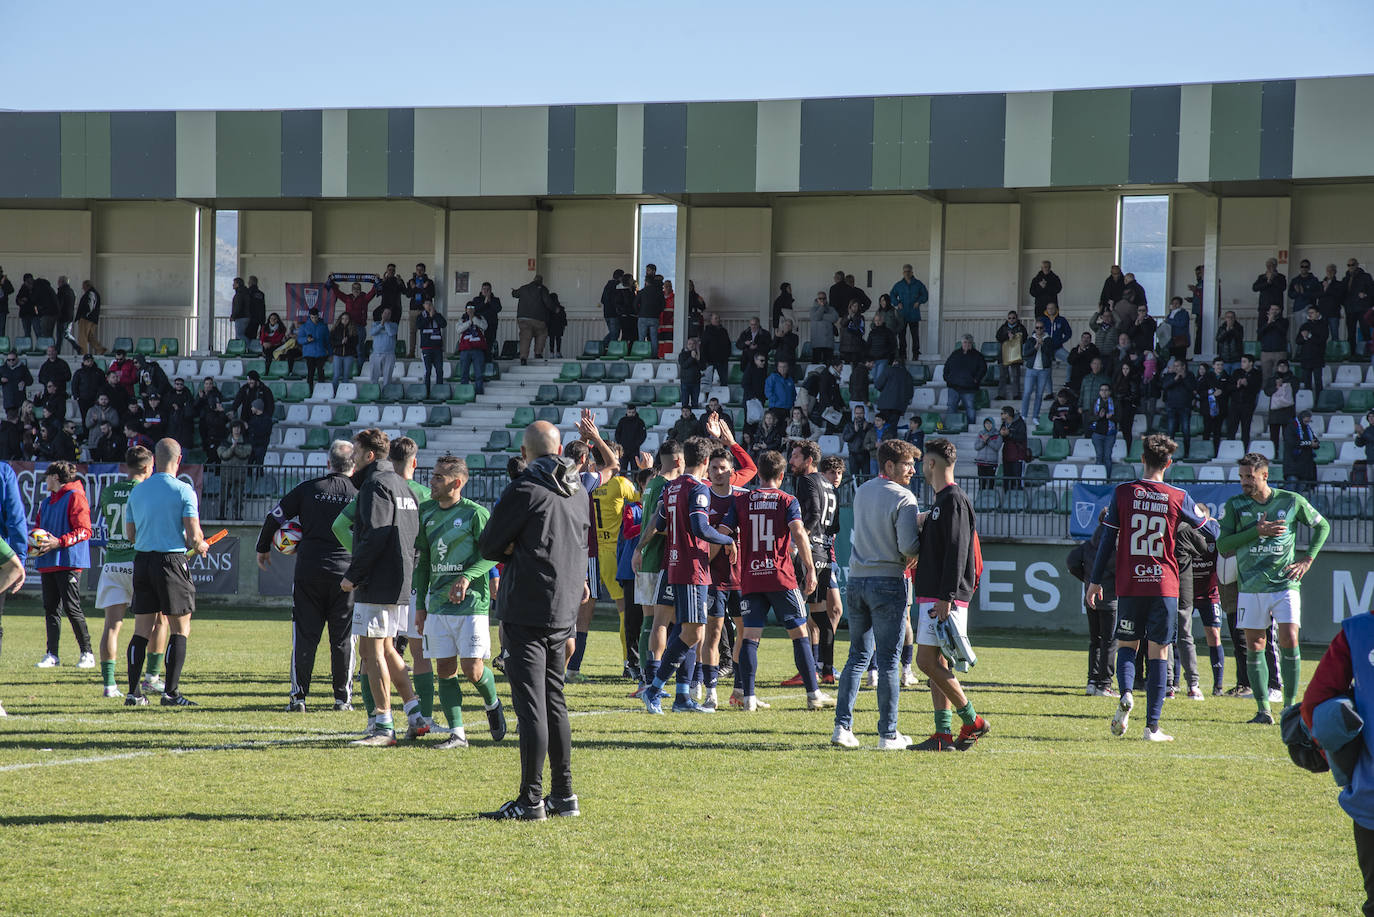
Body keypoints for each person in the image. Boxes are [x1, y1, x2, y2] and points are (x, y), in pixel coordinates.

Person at [476, 421, 590, 819]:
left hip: (526, 606)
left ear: (525, 454)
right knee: (554, 699)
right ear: (559, 450)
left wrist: (513, 548)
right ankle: (564, 795)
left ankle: (530, 800)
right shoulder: (580, 492)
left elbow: (489, 544)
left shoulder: (524, 489)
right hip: (563, 609)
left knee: (531, 707)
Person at [1089, 434, 1209, 742]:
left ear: (1142, 459)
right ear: (1168, 463)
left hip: (1130, 583)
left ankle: (1126, 692)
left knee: (1128, 646)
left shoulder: (1123, 493)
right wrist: (1205, 517)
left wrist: (1094, 581)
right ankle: (1151, 727)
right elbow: (1211, 531)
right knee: (1159, 652)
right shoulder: (1178, 496)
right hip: (1164, 585)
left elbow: (1106, 542)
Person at [1217, 453, 1329, 724]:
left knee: (1289, 638)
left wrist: (1307, 559)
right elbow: (1223, 546)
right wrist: (1258, 531)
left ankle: (1290, 708)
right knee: (1256, 644)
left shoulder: (1291, 501)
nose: (1244, 481)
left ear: (1264, 475)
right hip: (1251, 585)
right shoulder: (1235, 505)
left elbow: (1322, 526)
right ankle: (1263, 710)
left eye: (1249, 477)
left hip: (1285, 583)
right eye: (1241, 476)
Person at [719, 448, 832, 713]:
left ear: (759, 473)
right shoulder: (787, 500)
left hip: (751, 578)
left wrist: (728, 546)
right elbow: (799, 534)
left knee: (750, 637)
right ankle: (813, 694)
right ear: (781, 475)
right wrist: (810, 569)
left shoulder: (742, 501)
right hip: (780, 577)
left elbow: (723, 532)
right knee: (799, 633)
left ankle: (747, 698)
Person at [636, 435, 738, 714]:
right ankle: (655, 688)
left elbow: (660, 522)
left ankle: (682, 697)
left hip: (674, 564)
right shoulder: (698, 489)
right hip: (693, 567)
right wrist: (728, 541)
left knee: (687, 631)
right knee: (693, 633)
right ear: (705, 461)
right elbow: (700, 528)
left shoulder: (671, 488)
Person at [255, 439, 358, 712]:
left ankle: (298, 698)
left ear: (328, 463)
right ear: (354, 466)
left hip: (309, 572)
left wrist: (263, 548)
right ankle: (342, 699)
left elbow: (274, 517)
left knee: (304, 635)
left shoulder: (308, 489)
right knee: (343, 638)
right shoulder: (359, 493)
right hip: (346, 575)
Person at [831, 438, 921, 750]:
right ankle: (888, 734)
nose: (912, 469)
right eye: (907, 463)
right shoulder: (905, 497)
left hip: (856, 580)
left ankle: (842, 728)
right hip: (888, 580)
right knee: (888, 661)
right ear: (889, 466)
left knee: (857, 657)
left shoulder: (862, 490)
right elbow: (909, 546)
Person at [413, 456, 506, 749]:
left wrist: (466, 578)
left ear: (456, 482)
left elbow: (492, 553)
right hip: (438, 604)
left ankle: (492, 702)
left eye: (439, 477)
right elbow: (424, 560)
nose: (432, 481)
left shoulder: (475, 514)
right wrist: (420, 605)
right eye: (433, 475)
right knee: (445, 669)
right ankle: (458, 734)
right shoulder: (426, 512)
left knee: (472, 669)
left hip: (471, 605)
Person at [340, 429, 426, 745]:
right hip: (398, 580)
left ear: (370, 456)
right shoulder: (402, 485)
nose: (352, 457)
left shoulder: (375, 485)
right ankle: (415, 715)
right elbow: (415, 538)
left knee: (370, 651)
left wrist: (355, 573)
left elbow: (374, 534)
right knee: (387, 648)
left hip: (377, 581)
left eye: (357, 451)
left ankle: (383, 726)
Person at [910, 438, 990, 751]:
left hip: (943, 597)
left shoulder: (953, 499)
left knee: (926, 661)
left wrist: (947, 595)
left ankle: (972, 719)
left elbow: (958, 550)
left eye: (922, 462)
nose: (919, 468)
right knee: (937, 663)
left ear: (931, 463)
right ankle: (942, 734)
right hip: (935, 594)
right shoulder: (942, 502)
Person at [123, 439, 209, 706]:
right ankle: (171, 693)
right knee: (180, 629)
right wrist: (201, 544)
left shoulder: (137, 491)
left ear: (155, 460)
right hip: (171, 561)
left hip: (143, 561)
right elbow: (194, 536)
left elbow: (131, 535)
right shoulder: (184, 490)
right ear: (179, 459)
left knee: (141, 631)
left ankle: (133, 694)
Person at [94, 447, 169, 698]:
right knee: (158, 621)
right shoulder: (145, 491)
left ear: (125, 467)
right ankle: (151, 678)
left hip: (112, 562)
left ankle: (109, 685)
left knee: (112, 626)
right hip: (138, 562)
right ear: (148, 467)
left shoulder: (107, 492)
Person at [32, 461, 94, 670]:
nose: (45, 481)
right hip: (48, 561)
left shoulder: (75, 496)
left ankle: (87, 653)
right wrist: (35, 543)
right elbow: (37, 530)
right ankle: (52, 654)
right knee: (51, 609)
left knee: (71, 607)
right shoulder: (46, 503)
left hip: (68, 561)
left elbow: (85, 530)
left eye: (47, 477)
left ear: (55, 478)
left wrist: (59, 542)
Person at [1068, 510, 1117, 697]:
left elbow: (1071, 561)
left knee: (1095, 641)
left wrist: (1088, 581)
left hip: (1091, 599)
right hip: (1111, 599)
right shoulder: (1115, 543)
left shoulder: (1090, 543)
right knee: (1110, 642)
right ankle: (1104, 684)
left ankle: (1092, 681)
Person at [943, 334, 985, 425]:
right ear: (962, 343)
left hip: (969, 388)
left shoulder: (978, 356)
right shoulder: (955, 354)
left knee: (970, 408)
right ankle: (951, 425)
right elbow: (947, 367)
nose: (967, 344)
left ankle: (971, 427)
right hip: (953, 387)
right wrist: (947, 379)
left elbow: (983, 369)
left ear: (972, 343)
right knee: (951, 407)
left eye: (969, 342)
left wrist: (976, 380)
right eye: (965, 342)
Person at [512, 274, 553, 365]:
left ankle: (523, 358)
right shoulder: (543, 289)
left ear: (533, 280)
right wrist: (555, 309)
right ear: (541, 281)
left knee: (525, 337)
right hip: (538, 318)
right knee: (542, 333)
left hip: (523, 318)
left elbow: (515, 294)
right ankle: (538, 353)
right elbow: (548, 302)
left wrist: (513, 291)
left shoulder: (524, 288)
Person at [890, 264, 927, 359]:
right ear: (903, 273)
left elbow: (925, 295)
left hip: (914, 314)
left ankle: (916, 355)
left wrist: (919, 301)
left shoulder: (918, 284)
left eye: (908, 271)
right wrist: (897, 303)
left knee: (915, 336)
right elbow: (892, 295)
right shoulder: (899, 285)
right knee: (902, 336)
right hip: (902, 315)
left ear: (912, 272)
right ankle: (903, 355)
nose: (907, 273)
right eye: (905, 271)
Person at [1161, 358, 1196, 458]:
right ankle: (1169, 452)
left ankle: (1186, 452)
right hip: (1171, 406)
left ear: (1183, 366)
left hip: (1185, 406)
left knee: (1186, 430)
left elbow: (1192, 388)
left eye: (1178, 366)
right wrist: (1175, 379)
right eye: (1174, 366)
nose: (1176, 368)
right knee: (1170, 431)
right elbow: (1164, 386)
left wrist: (1183, 378)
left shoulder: (1190, 376)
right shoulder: (1169, 375)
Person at [1021, 322, 1053, 425]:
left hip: (1043, 370)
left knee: (1039, 394)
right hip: (1031, 369)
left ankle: (1035, 416)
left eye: (1041, 328)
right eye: (1037, 328)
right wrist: (1035, 347)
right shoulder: (1030, 340)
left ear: (1044, 328)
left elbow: (1050, 354)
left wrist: (1042, 345)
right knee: (1027, 393)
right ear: (1034, 329)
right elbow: (1025, 354)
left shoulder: (1048, 340)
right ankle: (1024, 415)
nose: (1039, 329)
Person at [415, 298, 448, 395]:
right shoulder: (420, 316)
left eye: (430, 304)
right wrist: (429, 317)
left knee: (439, 371)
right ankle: (427, 392)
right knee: (428, 371)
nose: (429, 306)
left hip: (437, 348)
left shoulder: (438, 315)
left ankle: (439, 392)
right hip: (426, 348)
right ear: (423, 306)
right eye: (426, 304)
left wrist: (434, 315)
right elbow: (420, 326)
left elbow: (443, 324)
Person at [1296, 304, 1329, 397]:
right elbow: (1297, 341)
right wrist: (1304, 337)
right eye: (1309, 313)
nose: (1310, 314)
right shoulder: (1304, 325)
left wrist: (1309, 336)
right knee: (1307, 382)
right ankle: (1308, 401)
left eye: (1312, 313)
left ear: (1318, 313)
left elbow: (1322, 340)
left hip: (1317, 357)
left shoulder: (1323, 325)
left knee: (1318, 381)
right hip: (1306, 357)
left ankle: (1319, 401)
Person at [405, 263, 436, 357]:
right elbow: (408, 294)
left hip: (425, 309)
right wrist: (414, 288)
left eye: (421, 269)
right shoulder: (411, 281)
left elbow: (433, 294)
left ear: (424, 271)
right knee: (412, 331)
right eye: (417, 269)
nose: (419, 271)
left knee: (425, 330)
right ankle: (411, 352)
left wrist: (424, 288)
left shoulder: (429, 282)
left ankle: (425, 351)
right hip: (414, 309)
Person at [456, 303, 488, 394]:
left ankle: (479, 392)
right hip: (465, 350)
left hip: (478, 349)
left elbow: (484, 326)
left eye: (472, 308)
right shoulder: (461, 319)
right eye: (468, 308)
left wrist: (474, 319)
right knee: (464, 374)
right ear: (465, 309)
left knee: (478, 374)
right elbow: (458, 330)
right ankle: (464, 393)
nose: (470, 310)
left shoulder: (480, 318)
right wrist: (469, 322)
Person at [467, 281, 503, 362]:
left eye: (488, 289)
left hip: (491, 324)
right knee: (479, 342)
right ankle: (478, 359)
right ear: (481, 290)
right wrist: (484, 303)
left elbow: (498, 309)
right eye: (484, 289)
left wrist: (490, 301)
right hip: (479, 325)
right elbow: (475, 309)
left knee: (489, 343)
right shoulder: (476, 299)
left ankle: (488, 359)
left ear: (491, 290)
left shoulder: (495, 300)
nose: (486, 291)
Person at [1285, 410, 1320, 489]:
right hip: (1293, 465)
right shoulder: (1291, 427)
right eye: (1306, 421)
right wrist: (1309, 444)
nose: (1307, 423)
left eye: (1309, 421)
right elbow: (1292, 443)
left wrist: (1315, 444)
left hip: (1305, 467)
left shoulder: (1308, 429)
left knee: (1300, 492)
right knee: (1291, 490)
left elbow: (1316, 441)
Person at [996, 310, 1026, 400]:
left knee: (1016, 376)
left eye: (1013, 318)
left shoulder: (1021, 327)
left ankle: (1016, 394)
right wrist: (1007, 336)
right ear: (1007, 319)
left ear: (1016, 318)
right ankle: (1001, 395)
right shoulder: (1003, 327)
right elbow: (998, 337)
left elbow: (1025, 338)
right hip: (1004, 355)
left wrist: (1016, 336)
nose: (1011, 320)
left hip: (1015, 356)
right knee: (1002, 376)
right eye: (1009, 318)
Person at [634, 265, 665, 353]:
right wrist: (658, 312)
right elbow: (663, 304)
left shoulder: (642, 291)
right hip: (654, 317)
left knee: (641, 338)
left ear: (646, 282)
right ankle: (654, 355)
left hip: (643, 316)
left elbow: (635, 304)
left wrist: (639, 313)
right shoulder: (659, 291)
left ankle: (641, 353)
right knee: (654, 337)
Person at [297, 307, 329, 389]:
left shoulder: (323, 327)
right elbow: (299, 339)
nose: (314, 319)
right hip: (309, 353)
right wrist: (307, 339)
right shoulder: (304, 327)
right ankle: (309, 391)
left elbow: (327, 341)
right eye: (312, 317)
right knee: (310, 373)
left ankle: (322, 391)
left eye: (315, 317)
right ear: (309, 316)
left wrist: (330, 353)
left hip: (321, 353)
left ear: (318, 316)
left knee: (320, 372)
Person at [1088, 383, 1118, 470]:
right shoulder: (1095, 402)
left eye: (1106, 390)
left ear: (1110, 392)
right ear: (1099, 392)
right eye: (1102, 390)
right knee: (1099, 455)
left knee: (1107, 457)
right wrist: (1099, 417)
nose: (1104, 392)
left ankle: (1107, 479)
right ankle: (1099, 478)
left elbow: (1120, 417)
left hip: (1110, 434)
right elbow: (1089, 418)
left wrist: (1111, 417)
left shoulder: (1115, 403)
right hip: (1097, 434)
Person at [999, 406, 1028, 490]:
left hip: (1018, 455)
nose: (1001, 415)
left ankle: (1019, 499)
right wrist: (1001, 434)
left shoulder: (1020, 423)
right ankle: (1007, 498)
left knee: (1018, 480)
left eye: (1003, 413)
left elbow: (1022, 437)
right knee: (1007, 480)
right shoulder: (1004, 424)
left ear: (1008, 414)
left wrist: (1009, 434)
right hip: (1007, 455)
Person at [842, 404, 877, 475]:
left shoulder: (869, 426)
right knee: (854, 478)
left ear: (864, 414)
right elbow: (845, 438)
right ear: (854, 414)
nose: (859, 415)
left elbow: (872, 440)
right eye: (857, 413)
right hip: (853, 455)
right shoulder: (849, 425)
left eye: (860, 413)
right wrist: (854, 431)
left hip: (866, 454)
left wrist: (864, 430)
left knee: (866, 478)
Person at [74, 280, 106, 355]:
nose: (82, 288)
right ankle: (100, 349)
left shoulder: (90, 293)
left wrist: (85, 315)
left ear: (87, 286)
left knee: (82, 337)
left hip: (86, 319)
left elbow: (90, 306)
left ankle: (83, 353)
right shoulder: (95, 293)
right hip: (93, 319)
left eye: (83, 286)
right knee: (89, 336)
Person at [369, 308, 399, 385]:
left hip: (389, 354)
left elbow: (391, 333)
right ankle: (373, 392)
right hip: (376, 353)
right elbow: (372, 332)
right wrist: (381, 324)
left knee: (387, 376)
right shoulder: (375, 324)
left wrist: (385, 323)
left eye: (389, 313)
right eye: (385, 313)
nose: (386, 315)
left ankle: (386, 392)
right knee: (373, 376)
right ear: (381, 314)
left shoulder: (394, 325)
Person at [700, 313, 731, 387]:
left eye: (718, 318)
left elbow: (728, 344)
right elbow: (703, 347)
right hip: (710, 361)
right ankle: (707, 397)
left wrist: (727, 355)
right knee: (707, 382)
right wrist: (705, 361)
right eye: (716, 318)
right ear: (711, 320)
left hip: (722, 361)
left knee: (724, 381)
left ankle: (723, 397)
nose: (718, 320)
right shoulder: (706, 332)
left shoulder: (724, 331)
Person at [1252, 257, 1287, 323]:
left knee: (1276, 327)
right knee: (1262, 328)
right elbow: (1255, 288)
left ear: (1275, 266)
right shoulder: (1262, 277)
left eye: (1271, 265)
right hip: (1264, 307)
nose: (1269, 267)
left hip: (1276, 308)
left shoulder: (1281, 277)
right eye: (1268, 265)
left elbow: (1283, 287)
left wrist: (1272, 279)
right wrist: (1267, 282)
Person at [678, 336, 703, 409]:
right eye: (689, 344)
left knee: (695, 403)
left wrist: (697, 354)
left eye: (693, 344)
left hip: (696, 382)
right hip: (685, 382)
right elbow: (684, 365)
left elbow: (702, 367)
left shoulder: (698, 354)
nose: (691, 345)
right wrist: (691, 358)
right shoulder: (682, 355)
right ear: (687, 345)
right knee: (685, 403)